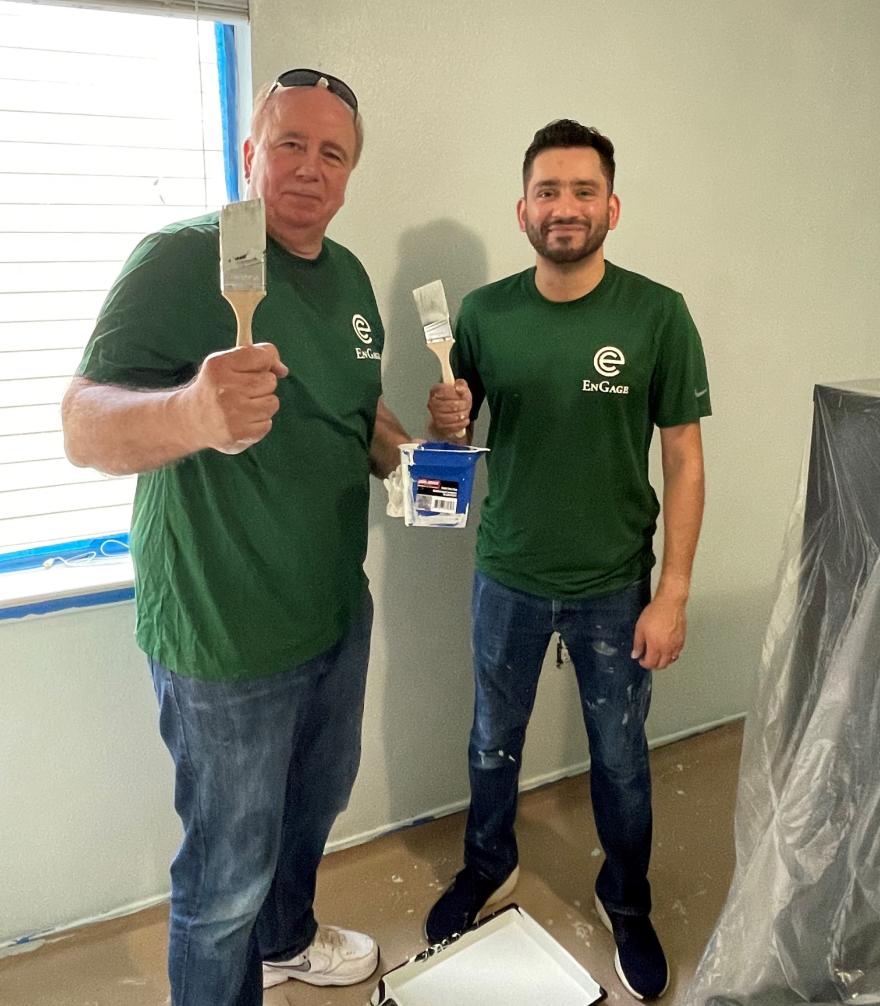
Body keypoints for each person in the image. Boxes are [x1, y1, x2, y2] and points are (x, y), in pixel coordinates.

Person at [62, 69, 411, 1006]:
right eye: (289, 144)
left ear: (349, 177)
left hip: (334, 614)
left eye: (332, 153)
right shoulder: (183, 259)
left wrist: (412, 455)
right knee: (223, 884)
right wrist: (192, 412)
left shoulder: (348, 276)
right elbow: (82, 425)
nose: (309, 168)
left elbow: (356, 405)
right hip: (224, 639)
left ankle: (288, 940)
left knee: (310, 815)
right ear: (250, 154)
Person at [424, 119, 710, 1001]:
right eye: (548, 191)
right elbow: (457, 436)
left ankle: (626, 901)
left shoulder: (657, 313)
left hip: (616, 586)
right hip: (506, 573)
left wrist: (674, 593)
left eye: (584, 190)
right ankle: (488, 866)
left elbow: (686, 460)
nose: (565, 207)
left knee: (621, 759)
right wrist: (446, 420)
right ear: (522, 210)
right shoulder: (480, 314)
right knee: (490, 743)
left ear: (612, 207)